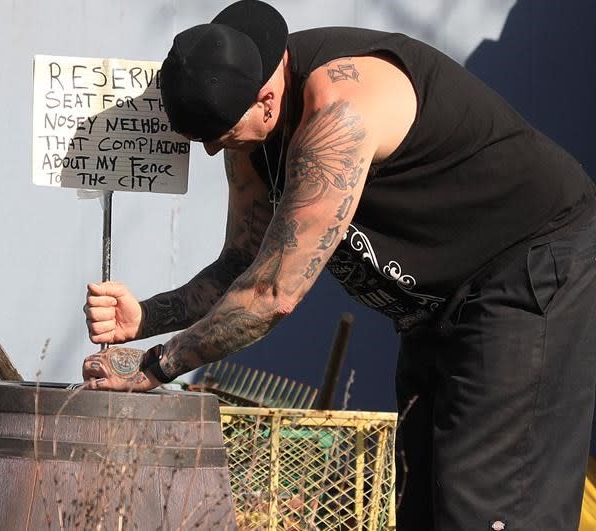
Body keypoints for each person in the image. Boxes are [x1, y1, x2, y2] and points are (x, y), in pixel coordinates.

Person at [81, 1, 596, 529]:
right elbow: (244, 261)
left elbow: (270, 295)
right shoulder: (249, 110)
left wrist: (155, 366)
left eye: (223, 136)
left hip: (531, 269)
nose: (217, 153)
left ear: (266, 97)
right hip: (437, 303)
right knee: (425, 504)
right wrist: (147, 317)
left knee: (488, 506)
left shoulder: (340, 109)